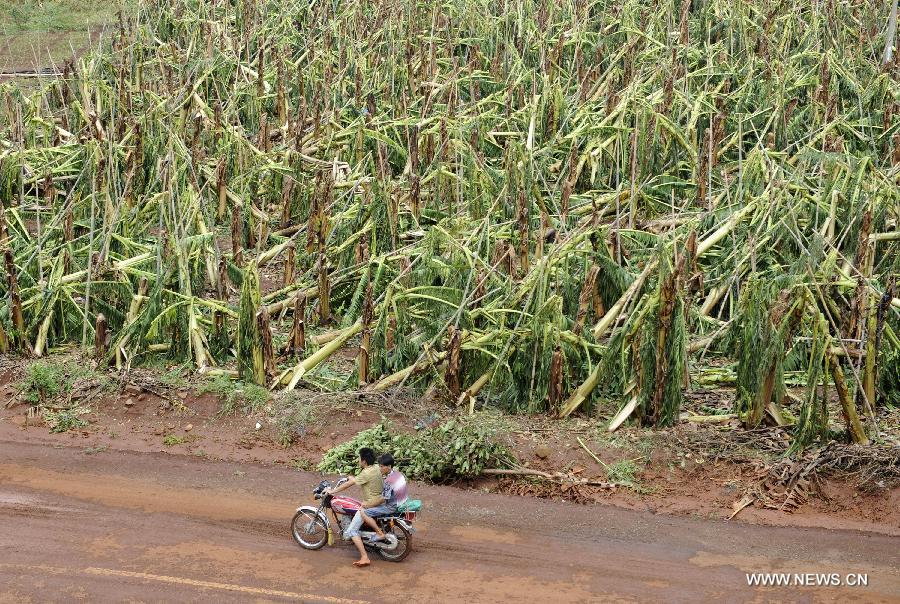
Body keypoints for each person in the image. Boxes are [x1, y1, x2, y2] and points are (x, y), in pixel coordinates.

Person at [324, 447, 383, 567]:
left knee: (351, 531)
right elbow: (356, 480)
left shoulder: (365, 473)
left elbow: (348, 485)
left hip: (370, 504)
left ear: (364, 461)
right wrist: (352, 478)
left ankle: (364, 557)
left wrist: (332, 491)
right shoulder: (376, 467)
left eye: (359, 458)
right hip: (380, 501)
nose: (358, 460)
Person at [358, 453, 408, 543]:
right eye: (379, 466)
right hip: (402, 502)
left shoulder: (389, 481)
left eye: (382, 467)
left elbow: (383, 499)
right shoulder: (398, 474)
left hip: (391, 507)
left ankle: (379, 533)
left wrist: (368, 505)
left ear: (389, 466)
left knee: (364, 513)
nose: (380, 469)